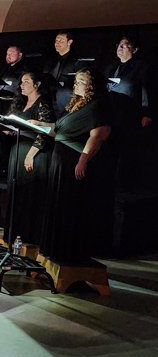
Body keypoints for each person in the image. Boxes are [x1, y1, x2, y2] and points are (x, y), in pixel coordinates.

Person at [38, 69, 112, 263]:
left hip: (73, 159)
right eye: (76, 81)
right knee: (57, 204)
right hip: (60, 159)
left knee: (69, 205)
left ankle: (67, 251)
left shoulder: (97, 105)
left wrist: (83, 159)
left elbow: (98, 135)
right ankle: (53, 249)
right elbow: (59, 131)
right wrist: (37, 124)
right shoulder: (75, 105)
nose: (76, 85)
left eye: (81, 82)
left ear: (91, 86)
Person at [6, 72, 56, 245]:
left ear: (37, 84)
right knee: (17, 193)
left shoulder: (43, 102)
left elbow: (45, 133)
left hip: (34, 153)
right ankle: (14, 235)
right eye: (21, 82)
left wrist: (31, 154)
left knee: (30, 194)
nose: (22, 84)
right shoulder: (21, 103)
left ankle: (29, 237)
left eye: (26, 81)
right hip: (18, 149)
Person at [105, 36, 152, 189]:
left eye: (125, 45)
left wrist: (147, 113)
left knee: (128, 151)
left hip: (130, 115)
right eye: (118, 45)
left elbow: (147, 90)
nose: (120, 48)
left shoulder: (142, 67)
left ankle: (125, 184)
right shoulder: (111, 67)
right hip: (111, 114)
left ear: (134, 49)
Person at [44, 31, 80, 116]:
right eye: (56, 41)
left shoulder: (76, 60)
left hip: (65, 97)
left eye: (61, 41)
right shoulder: (51, 60)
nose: (58, 43)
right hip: (50, 95)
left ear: (69, 42)